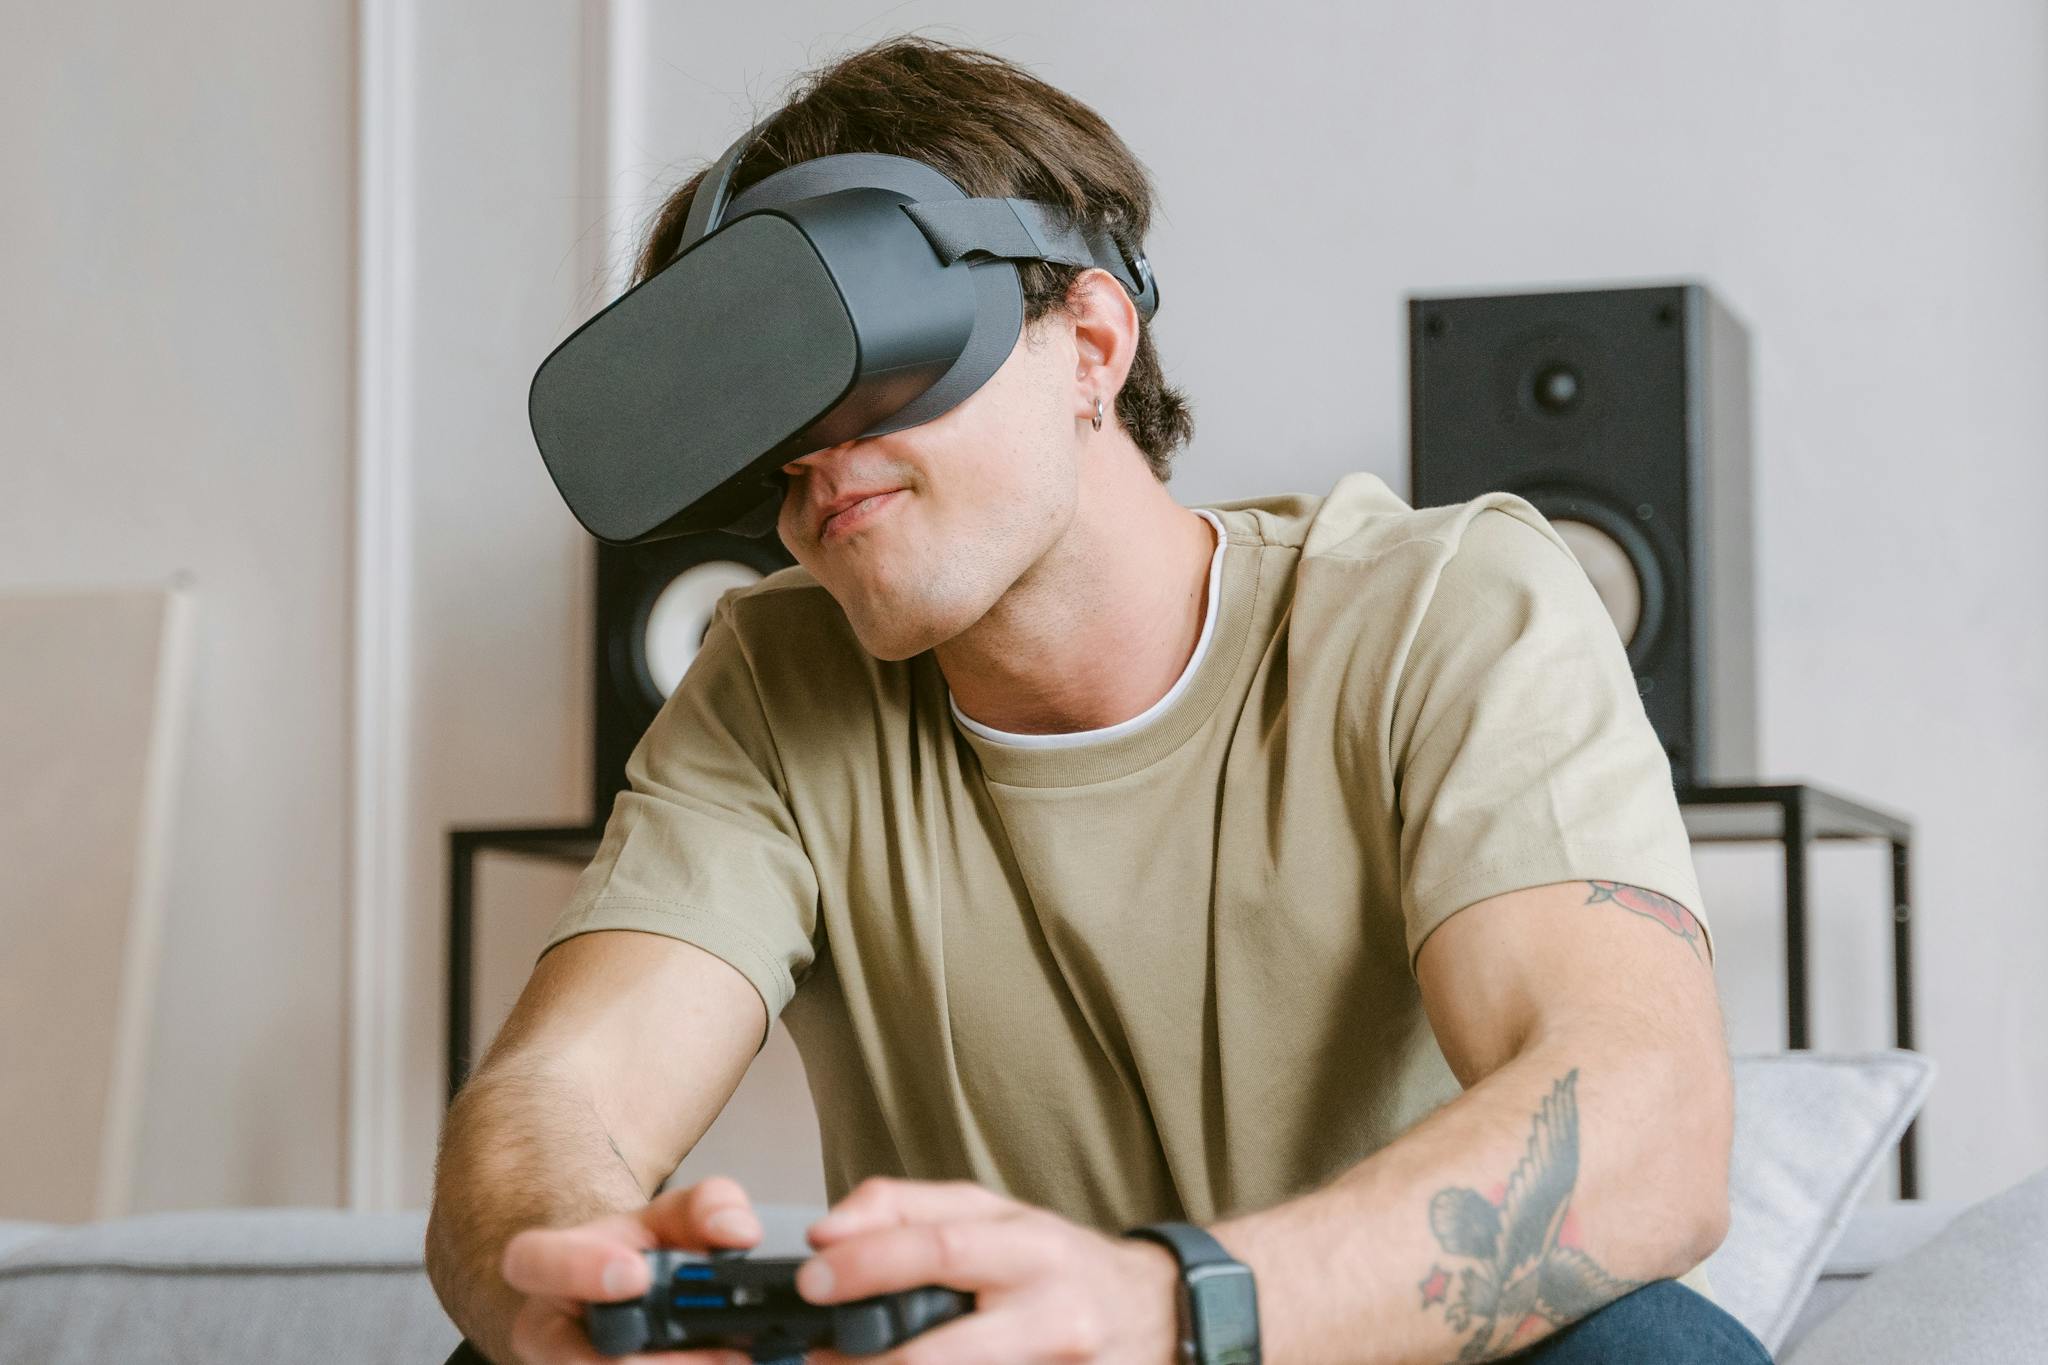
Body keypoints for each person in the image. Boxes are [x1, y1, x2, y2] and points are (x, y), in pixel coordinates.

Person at [425, 34, 1768, 1365]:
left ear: (1091, 341)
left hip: (1373, 1347)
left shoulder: (1441, 609)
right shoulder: (774, 683)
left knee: (1652, 1348)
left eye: (870, 370)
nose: (818, 457)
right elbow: (558, 1094)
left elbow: (1646, 1125)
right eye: (776, 426)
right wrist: (569, 1262)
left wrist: (1165, 1305)